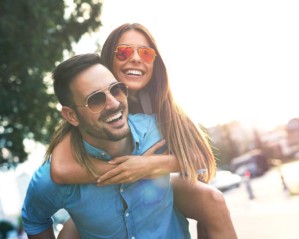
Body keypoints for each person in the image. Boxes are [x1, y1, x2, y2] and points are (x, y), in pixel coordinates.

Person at [51, 23, 237, 239]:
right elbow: (60, 169)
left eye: (146, 53)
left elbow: (201, 157)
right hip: (104, 192)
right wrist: (125, 169)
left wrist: (146, 166)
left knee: (212, 200)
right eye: (124, 52)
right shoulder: (93, 108)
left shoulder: (166, 104)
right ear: (106, 62)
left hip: (156, 185)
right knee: (67, 232)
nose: (136, 58)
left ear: (155, 63)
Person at [22, 53, 191, 239]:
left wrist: (150, 165)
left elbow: (202, 162)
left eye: (116, 89)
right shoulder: (51, 179)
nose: (114, 103)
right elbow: (34, 219)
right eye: (95, 99)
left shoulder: (157, 130)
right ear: (71, 116)